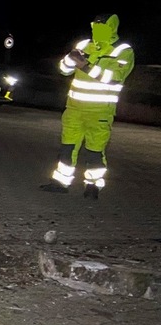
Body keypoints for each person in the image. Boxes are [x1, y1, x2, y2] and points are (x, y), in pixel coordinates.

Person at [40, 13, 135, 199]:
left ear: (112, 27)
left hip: (100, 112)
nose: (97, 29)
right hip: (74, 109)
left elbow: (115, 78)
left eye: (102, 26)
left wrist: (85, 65)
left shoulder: (123, 50)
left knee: (95, 152)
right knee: (67, 148)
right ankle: (60, 182)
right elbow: (63, 70)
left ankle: (93, 186)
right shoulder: (83, 45)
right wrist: (69, 60)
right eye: (95, 25)